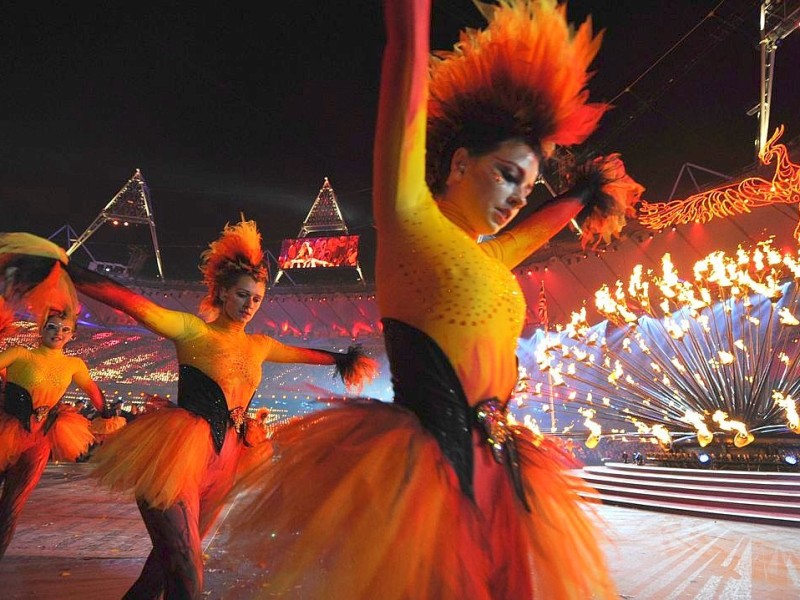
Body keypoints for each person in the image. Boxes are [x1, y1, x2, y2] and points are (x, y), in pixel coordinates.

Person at [221, 1, 643, 598]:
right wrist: (411, 19)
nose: (519, 198)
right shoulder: (409, 218)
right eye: (506, 174)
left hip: (505, 475)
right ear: (460, 162)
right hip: (428, 479)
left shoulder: (494, 255)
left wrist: (588, 191)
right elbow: (405, 68)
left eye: (526, 185)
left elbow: (546, 221)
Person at [0, 220, 378, 598]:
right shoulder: (193, 330)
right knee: (187, 575)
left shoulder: (260, 345)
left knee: (159, 576)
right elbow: (133, 304)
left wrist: (343, 359)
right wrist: (65, 270)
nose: (250, 305)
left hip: (226, 464)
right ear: (223, 293)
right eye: (243, 295)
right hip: (177, 460)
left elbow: (305, 354)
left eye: (257, 299)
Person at [0, 287, 106, 559]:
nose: (58, 333)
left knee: (12, 507)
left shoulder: (74, 365)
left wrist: (107, 415)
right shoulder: (21, 353)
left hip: (39, 440)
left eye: (65, 329)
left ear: (72, 334)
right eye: (52, 327)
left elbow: (93, 391)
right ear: (41, 328)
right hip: (5, 431)